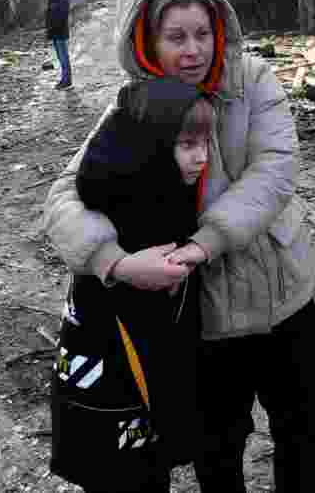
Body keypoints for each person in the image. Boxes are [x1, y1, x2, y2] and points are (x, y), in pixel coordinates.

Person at [42, 0, 315, 492]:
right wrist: (117, 262)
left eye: (202, 33)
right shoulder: (132, 108)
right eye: (175, 36)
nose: (192, 49)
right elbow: (63, 198)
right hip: (202, 319)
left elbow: (274, 170)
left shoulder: (252, 80)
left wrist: (204, 243)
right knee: (218, 446)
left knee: (311, 422)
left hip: (280, 294)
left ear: (219, 28)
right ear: (145, 41)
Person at [50, 77, 210, 492]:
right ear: (154, 146)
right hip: (110, 392)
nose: (202, 158)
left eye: (206, 144)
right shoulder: (132, 219)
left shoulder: (159, 195)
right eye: (188, 145)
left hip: (134, 401)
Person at [45, 0, 73, 90]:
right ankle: (64, 79)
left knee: (63, 57)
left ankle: (67, 81)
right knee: (61, 57)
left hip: (59, 30)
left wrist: (53, 13)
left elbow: (60, 14)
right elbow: (49, 14)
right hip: (56, 31)